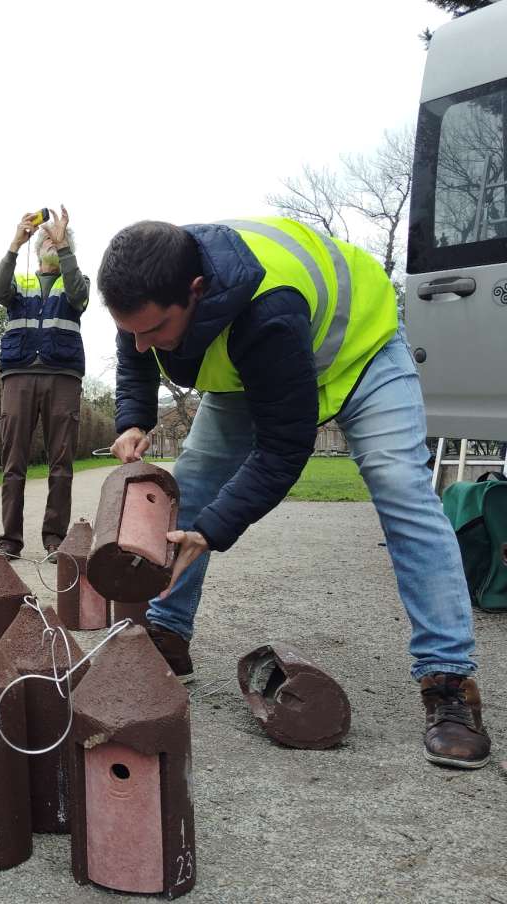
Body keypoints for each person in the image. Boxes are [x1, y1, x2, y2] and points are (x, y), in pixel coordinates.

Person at [99, 216, 491, 770]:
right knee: (192, 481)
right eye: (129, 329)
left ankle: (449, 683)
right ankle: (165, 632)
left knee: (401, 489)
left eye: (154, 328)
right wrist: (133, 418)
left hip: (360, 358)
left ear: (196, 291)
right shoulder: (150, 279)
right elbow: (135, 351)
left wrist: (212, 531)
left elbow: (284, 450)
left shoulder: (268, 308)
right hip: (250, 368)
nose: (140, 342)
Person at [0, 205, 90, 557]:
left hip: (62, 376)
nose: (50, 239)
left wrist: (66, 248)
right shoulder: (22, 281)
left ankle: (55, 540)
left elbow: (79, 297)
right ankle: (10, 540)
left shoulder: (77, 280)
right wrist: (15, 243)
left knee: (61, 463)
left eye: (56, 237)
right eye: (45, 236)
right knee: (12, 462)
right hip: (18, 375)